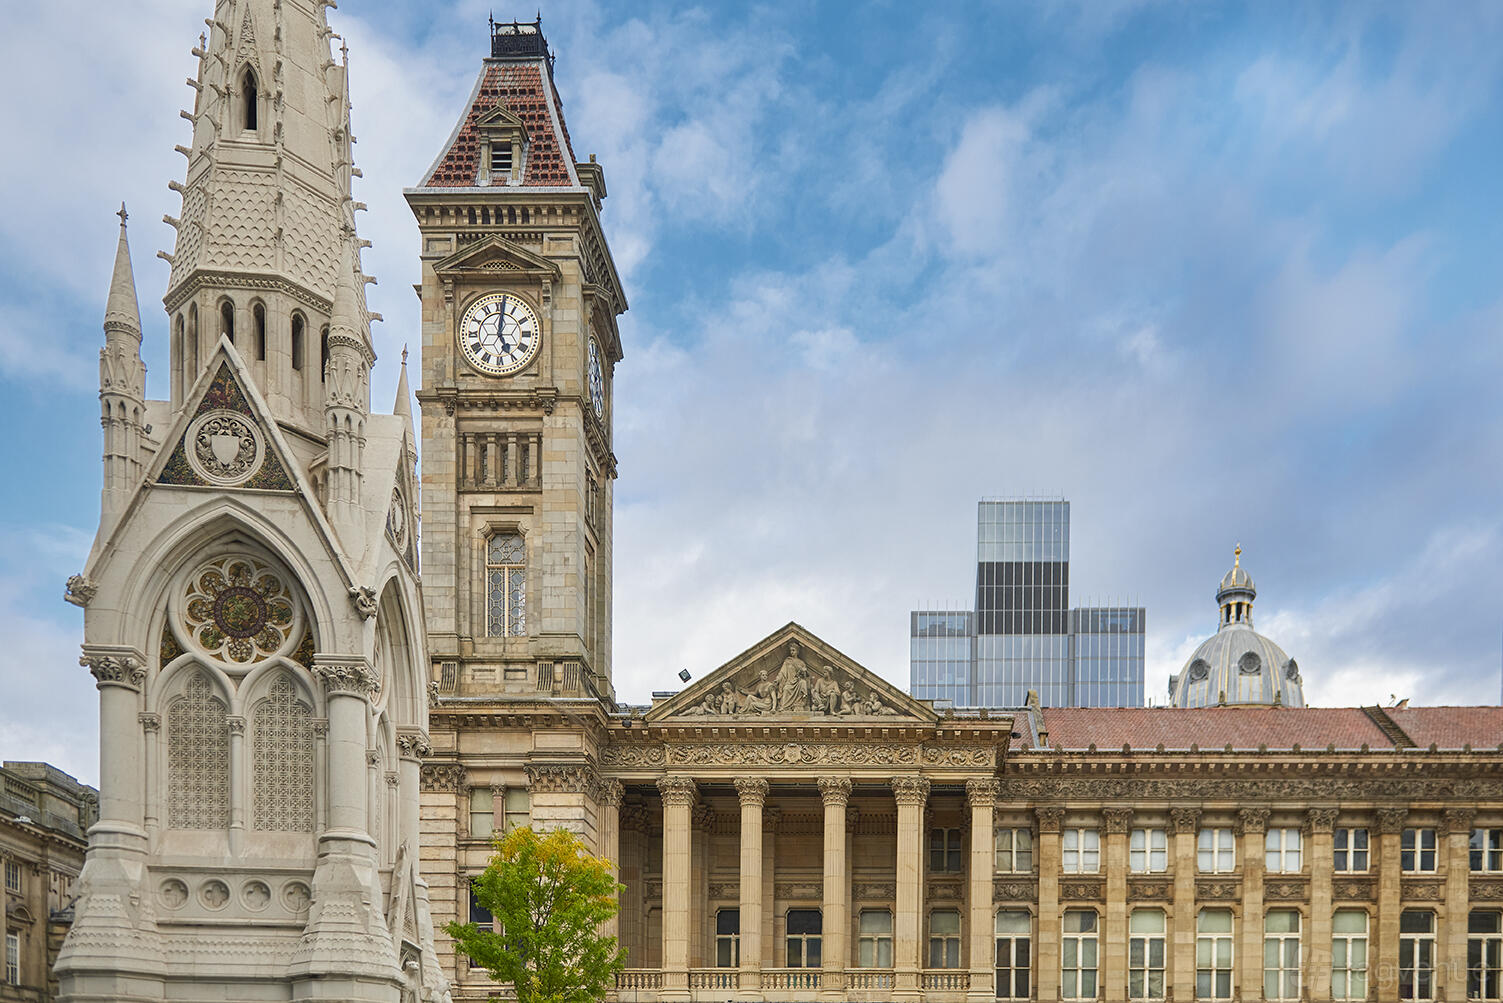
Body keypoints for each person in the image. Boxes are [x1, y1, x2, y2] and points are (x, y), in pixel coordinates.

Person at [776, 641, 811, 711]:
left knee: (803, 683)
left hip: (798, 681)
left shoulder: (801, 663)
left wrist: (803, 671)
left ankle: (800, 702)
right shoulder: (788, 661)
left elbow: (806, 675)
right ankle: (784, 706)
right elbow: (782, 673)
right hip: (789, 682)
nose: (792, 652)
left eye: (793, 650)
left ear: (797, 651)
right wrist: (777, 680)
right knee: (786, 689)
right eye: (791, 650)